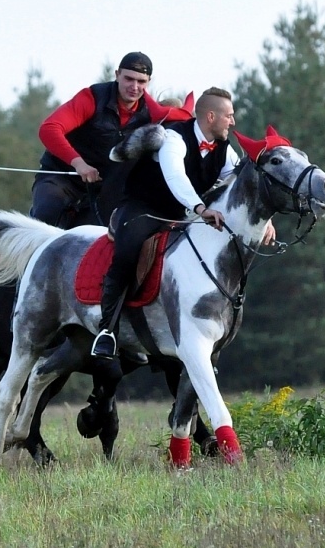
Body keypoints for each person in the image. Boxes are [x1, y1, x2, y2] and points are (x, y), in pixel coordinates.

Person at [90, 87, 271, 358]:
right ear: (211, 117)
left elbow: (239, 185)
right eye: (229, 116)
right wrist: (200, 208)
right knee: (127, 254)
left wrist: (264, 222)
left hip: (183, 216)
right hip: (144, 210)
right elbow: (176, 177)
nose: (233, 122)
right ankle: (107, 330)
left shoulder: (223, 149)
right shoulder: (173, 139)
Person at [30, 51, 190, 229]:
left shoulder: (153, 114)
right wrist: (79, 164)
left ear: (149, 82)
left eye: (141, 81)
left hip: (106, 187)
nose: (134, 87)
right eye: (129, 79)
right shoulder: (92, 97)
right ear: (117, 75)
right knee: (46, 215)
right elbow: (49, 129)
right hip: (63, 179)